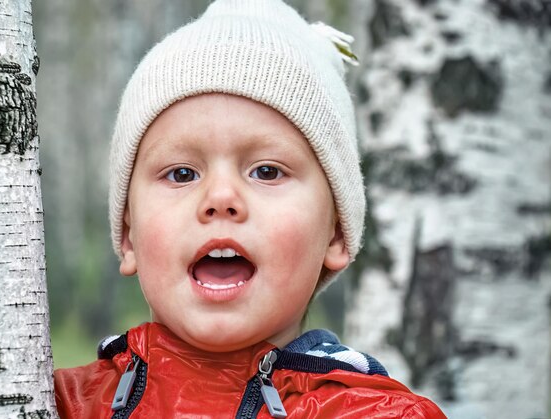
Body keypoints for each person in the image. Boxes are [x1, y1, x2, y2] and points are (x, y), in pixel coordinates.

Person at [54, 0, 446, 417]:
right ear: (129, 236)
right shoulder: (59, 401)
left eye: (266, 171)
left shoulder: (375, 414)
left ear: (335, 233)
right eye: (182, 174)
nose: (221, 198)